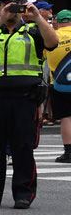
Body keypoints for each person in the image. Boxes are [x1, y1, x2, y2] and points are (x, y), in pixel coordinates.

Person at [0, 0, 59, 208]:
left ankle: (23, 194)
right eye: (7, 5)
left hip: (24, 99)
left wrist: (37, 17)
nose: (13, 10)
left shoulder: (33, 31)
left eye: (17, 5)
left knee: (23, 148)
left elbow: (53, 42)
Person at [47, 9, 71, 163]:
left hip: (59, 84)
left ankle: (69, 152)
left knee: (66, 117)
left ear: (58, 22)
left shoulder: (53, 36)